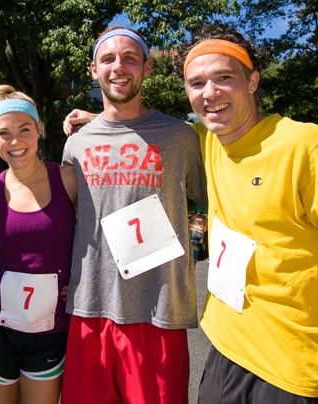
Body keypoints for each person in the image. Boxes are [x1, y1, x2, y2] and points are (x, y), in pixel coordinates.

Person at [176, 24, 318, 403]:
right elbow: (147, 128)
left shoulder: (305, 146)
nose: (209, 93)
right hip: (222, 352)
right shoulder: (204, 141)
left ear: (253, 81)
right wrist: (96, 119)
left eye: (223, 78)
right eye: (197, 84)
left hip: (291, 374)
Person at [59, 26, 207, 403]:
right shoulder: (77, 143)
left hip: (158, 311)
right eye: (108, 59)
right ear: (94, 69)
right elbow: (64, 214)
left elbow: (212, 198)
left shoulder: (181, 136)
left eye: (129, 58)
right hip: (89, 307)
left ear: (147, 68)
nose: (118, 67)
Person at [0, 85, 78, 404]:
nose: (15, 142)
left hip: (52, 328)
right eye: (4, 133)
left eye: (24, 130)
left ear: (39, 130)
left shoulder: (69, 179)